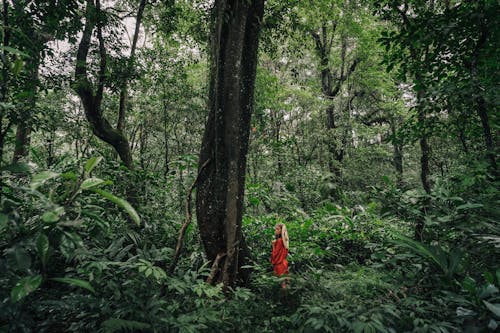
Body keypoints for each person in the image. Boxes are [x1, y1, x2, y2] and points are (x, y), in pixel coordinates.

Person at [271, 223, 289, 289]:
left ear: (281, 231)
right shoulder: (284, 241)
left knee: (282, 285)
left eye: (278, 229)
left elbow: (275, 254)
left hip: (279, 265)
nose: (276, 231)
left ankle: (283, 298)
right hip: (284, 263)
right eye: (275, 229)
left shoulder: (279, 241)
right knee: (285, 283)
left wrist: (273, 245)